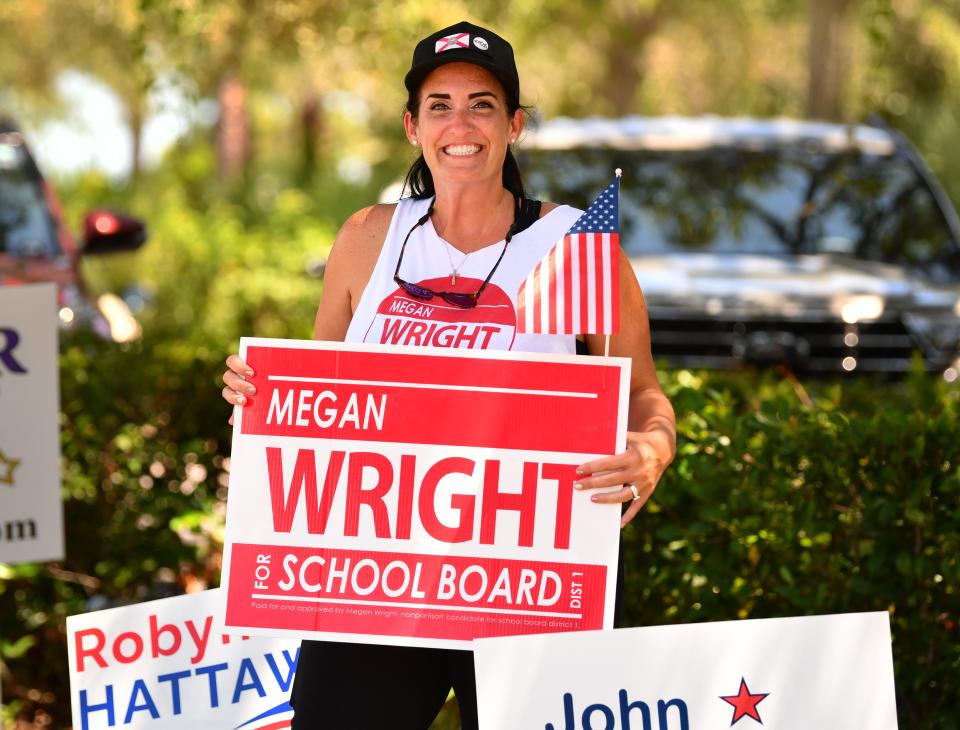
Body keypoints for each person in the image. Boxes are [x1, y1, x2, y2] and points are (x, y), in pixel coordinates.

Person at [221, 20, 676, 730]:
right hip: (377, 580)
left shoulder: (574, 246)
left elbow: (644, 392)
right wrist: (259, 397)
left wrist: (651, 451)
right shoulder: (368, 237)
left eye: (483, 104)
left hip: (528, 581)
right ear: (412, 126)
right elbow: (318, 399)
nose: (460, 123)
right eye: (440, 104)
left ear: (514, 124)